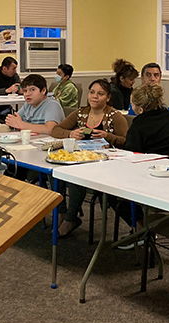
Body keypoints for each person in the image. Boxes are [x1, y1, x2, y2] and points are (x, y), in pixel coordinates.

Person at [52, 79, 128, 237]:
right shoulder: (81, 113)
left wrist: (108, 136)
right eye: (92, 92)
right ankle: (61, 212)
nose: (95, 97)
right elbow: (56, 130)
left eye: (100, 94)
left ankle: (70, 219)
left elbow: (126, 141)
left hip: (106, 164)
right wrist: (70, 134)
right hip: (82, 158)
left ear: (107, 97)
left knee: (76, 180)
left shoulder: (115, 116)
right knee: (54, 172)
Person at [126, 84, 169, 161]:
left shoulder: (139, 124)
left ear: (140, 110)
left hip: (156, 160)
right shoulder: (167, 115)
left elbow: (131, 150)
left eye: (132, 104)